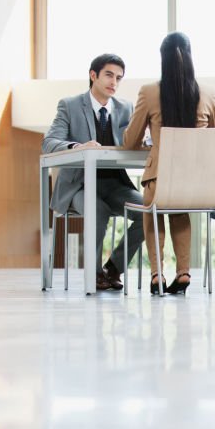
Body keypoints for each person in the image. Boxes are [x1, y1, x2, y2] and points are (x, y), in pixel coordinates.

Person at [123, 32, 215, 294]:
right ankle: (184, 272)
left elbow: (130, 141)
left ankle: (156, 275)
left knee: (153, 213)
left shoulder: (149, 92)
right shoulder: (208, 94)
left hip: (159, 177)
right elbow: (214, 141)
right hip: (195, 182)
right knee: (179, 211)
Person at [42, 53, 145, 291]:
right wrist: (78, 146)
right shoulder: (70, 105)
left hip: (115, 185)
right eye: (109, 75)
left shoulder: (126, 108)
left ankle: (112, 269)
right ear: (93, 75)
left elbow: (135, 139)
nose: (114, 82)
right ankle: (95, 274)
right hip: (80, 185)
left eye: (119, 78)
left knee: (149, 211)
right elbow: (49, 142)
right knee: (97, 209)